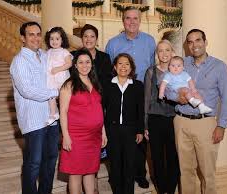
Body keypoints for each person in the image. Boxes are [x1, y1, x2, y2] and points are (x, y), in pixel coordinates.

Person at [174, 29, 227, 194]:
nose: (194, 45)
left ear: (205, 42)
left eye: (198, 40)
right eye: (190, 42)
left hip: (206, 123)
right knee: (185, 171)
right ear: (187, 45)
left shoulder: (219, 66)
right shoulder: (181, 64)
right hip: (181, 122)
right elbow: (168, 87)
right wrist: (177, 97)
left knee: (208, 173)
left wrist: (221, 125)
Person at [105, 6, 156, 188]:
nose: (132, 22)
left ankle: (139, 174)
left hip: (141, 94)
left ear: (140, 20)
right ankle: (115, 174)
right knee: (118, 138)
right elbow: (109, 70)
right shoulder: (112, 43)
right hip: (120, 92)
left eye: (135, 18)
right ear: (123, 20)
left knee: (139, 134)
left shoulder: (150, 41)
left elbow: (153, 69)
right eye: (128, 18)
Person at [10, 21, 59, 194]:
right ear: (23, 38)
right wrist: (55, 91)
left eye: (38, 34)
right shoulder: (19, 61)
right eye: (31, 34)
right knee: (33, 163)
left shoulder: (46, 56)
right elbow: (27, 90)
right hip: (34, 121)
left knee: (51, 159)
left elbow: (59, 66)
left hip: (52, 119)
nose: (36, 38)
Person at [59, 48, 107, 194]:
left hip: (94, 137)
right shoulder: (69, 85)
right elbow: (63, 112)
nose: (84, 65)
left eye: (87, 62)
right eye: (80, 62)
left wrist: (103, 132)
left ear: (92, 64)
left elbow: (99, 109)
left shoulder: (95, 82)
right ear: (75, 65)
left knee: (91, 171)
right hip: (76, 137)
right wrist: (66, 136)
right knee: (75, 173)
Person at [103, 53, 144, 194]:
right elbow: (102, 108)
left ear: (131, 67)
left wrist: (140, 130)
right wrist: (103, 131)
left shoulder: (138, 86)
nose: (123, 67)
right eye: (120, 63)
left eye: (127, 64)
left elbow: (141, 110)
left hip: (131, 130)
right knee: (115, 165)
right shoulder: (107, 85)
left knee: (129, 165)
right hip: (112, 130)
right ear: (115, 66)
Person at [144, 40, 180, 194]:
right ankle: (161, 189)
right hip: (155, 119)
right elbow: (147, 99)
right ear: (156, 54)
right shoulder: (151, 72)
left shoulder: (179, 72)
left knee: (173, 156)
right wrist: (145, 125)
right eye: (160, 51)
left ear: (172, 52)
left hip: (174, 119)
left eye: (167, 50)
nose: (164, 54)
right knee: (157, 158)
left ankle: (171, 189)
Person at [44, 26, 72, 125]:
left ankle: (66, 114)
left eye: (57, 39)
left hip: (61, 77)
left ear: (62, 40)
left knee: (63, 97)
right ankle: (53, 113)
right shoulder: (48, 52)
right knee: (51, 96)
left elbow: (69, 64)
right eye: (51, 39)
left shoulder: (64, 52)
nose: (54, 41)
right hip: (51, 78)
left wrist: (58, 69)